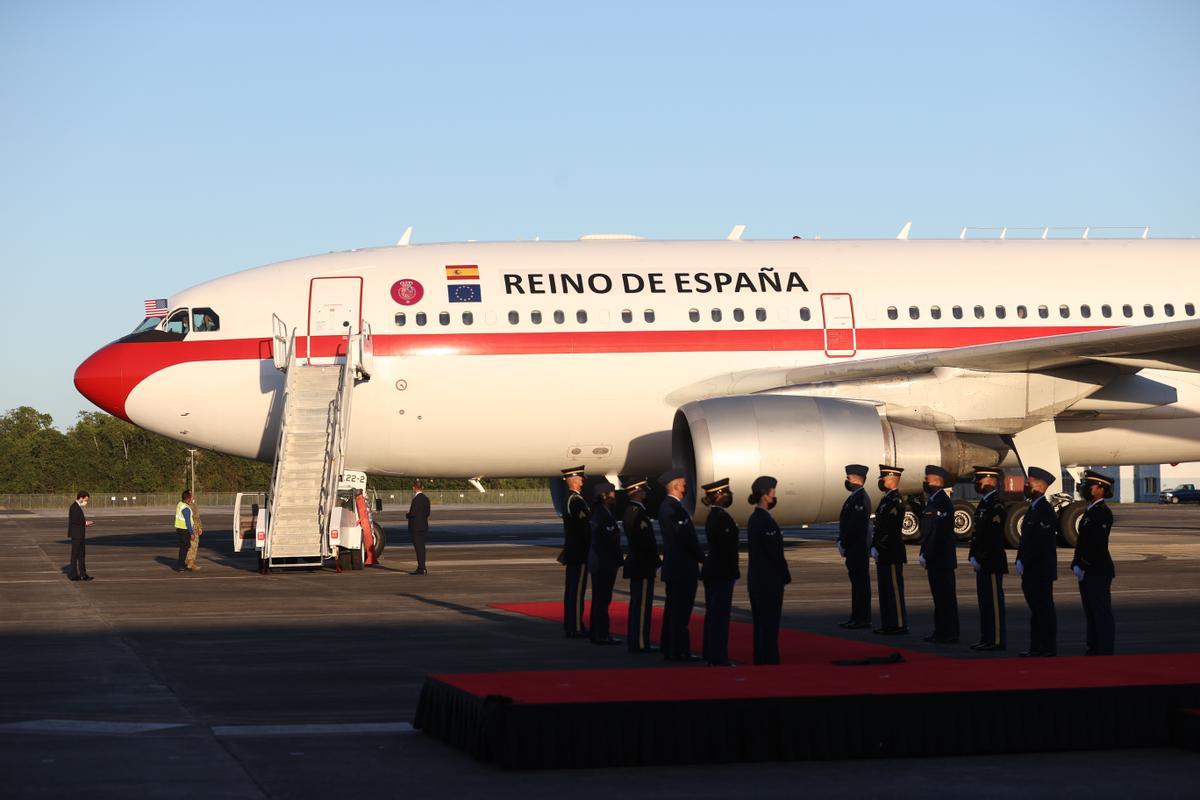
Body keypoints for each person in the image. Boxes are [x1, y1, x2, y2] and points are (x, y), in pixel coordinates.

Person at [657, 468, 704, 661]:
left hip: (676, 567)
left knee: (673, 611)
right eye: (683, 485)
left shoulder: (670, 507)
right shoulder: (672, 509)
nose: (685, 488)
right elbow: (686, 539)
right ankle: (678, 650)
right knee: (680, 612)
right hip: (682, 568)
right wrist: (702, 558)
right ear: (676, 485)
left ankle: (670, 647)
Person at [747, 475, 790, 665]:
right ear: (765, 495)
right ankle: (769, 659)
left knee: (761, 623)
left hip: (757, 580)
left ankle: (761, 658)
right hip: (768, 581)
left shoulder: (754, 518)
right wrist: (785, 574)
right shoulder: (764, 520)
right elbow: (774, 553)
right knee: (769, 623)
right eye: (772, 492)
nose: (774, 496)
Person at [1072, 470, 1116, 655]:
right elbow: (1081, 542)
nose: (1085, 489)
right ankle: (1094, 646)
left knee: (1101, 611)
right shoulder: (1089, 511)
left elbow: (1097, 543)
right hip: (1087, 569)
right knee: (1091, 611)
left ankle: (1104, 648)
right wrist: (1076, 563)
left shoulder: (1103, 513)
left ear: (1100, 489)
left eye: (1089, 486)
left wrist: (1083, 564)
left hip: (1097, 569)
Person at [1016, 466, 1059, 657]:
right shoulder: (1033, 508)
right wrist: (1020, 560)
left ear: (1041, 486)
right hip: (1031, 569)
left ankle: (1047, 647)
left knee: (1044, 609)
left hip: (1040, 569)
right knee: (1036, 610)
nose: (1026, 484)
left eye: (1030, 481)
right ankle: (1036, 647)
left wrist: (1024, 560)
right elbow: (1026, 540)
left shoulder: (1045, 510)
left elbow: (1039, 543)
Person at [968, 467, 1008, 650]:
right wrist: (973, 556)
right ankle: (986, 637)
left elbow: (993, 535)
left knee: (993, 603)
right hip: (982, 561)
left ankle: (997, 639)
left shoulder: (996, 504)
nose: (977, 483)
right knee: (984, 603)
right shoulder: (984, 504)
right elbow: (977, 534)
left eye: (980, 479)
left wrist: (982, 556)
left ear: (991, 481)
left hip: (991, 561)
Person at [700, 478, 739, 666]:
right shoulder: (719, 518)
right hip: (721, 572)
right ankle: (718, 657)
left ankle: (711, 653)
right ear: (719, 496)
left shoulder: (717, 516)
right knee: (719, 617)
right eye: (726, 493)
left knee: (714, 615)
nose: (729, 496)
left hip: (716, 571)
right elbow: (726, 548)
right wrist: (733, 572)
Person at [919, 465, 959, 643]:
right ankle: (941, 631)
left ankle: (949, 633)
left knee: (945, 598)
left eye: (927, 479)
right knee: (939, 598)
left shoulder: (942, 501)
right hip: (935, 558)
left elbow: (939, 533)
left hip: (941, 559)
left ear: (936, 480)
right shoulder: (933, 501)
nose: (925, 482)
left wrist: (927, 553)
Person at [621, 478, 661, 653]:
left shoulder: (632, 510)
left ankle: (636, 640)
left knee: (638, 603)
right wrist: (656, 561)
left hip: (637, 563)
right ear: (636, 491)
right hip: (642, 564)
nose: (646, 492)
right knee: (643, 605)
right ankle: (640, 642)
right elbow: (645, 542)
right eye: (643, 489)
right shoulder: (637, 512)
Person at [871, 465, 908, 634]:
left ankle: (899, 624)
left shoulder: (896, 500)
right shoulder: (886, 499)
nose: (881, 480)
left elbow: (891, 528)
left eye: (883, 478)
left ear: (892, 479)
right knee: (885, 591)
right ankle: (888, 623)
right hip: (883, 551)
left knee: (893, 590)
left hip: (891, 551)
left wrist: (880, 546)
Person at [587, 482, 623, 645]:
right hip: (604, 563)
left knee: (600, 600)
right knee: (602, 600)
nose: (614, 496)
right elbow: (608, 541)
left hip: (602, 562)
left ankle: (598, 633)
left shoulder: (602, 512)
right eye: (611, 493)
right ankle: (601, 633)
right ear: (604, 496)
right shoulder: (602, 515)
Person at [838, 464, 872, 630]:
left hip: (857, 549)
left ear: (857, 479)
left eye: (849, 478)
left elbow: (856, 526)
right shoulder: (853, 498)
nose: (847, 481)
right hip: (853, 548)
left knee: (860, 585)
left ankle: (862, 618)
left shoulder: (860, 499)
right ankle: (856, 616)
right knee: (856, 585)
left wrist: (845, 543)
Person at [559, 466, 591, 638]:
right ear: (572, 480)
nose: (582, 481)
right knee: (577, 591)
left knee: (572, 590)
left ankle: (571, 624)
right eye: (579, 478)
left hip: (573, 551)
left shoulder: (570, 499)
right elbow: (584, 528)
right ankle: (576, 626)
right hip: (579, 552)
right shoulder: (576, 500)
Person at [67, 490, 94, 581]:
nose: (86, 502)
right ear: (81, 498)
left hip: (80, 534)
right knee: (75, 555)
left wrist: (85, 523)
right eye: (85, 500)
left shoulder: (77, 507)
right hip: (76, 535)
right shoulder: (74, 507)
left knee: (82, 555)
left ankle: (83, 574)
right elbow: (75, 520)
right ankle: (73, 575)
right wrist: (85, 522)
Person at [406, 481, 431, 575]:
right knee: (422, 548)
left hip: (416, 527)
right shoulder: (426, 499)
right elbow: (428, 513)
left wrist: (407, 515)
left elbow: (413, 513)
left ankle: (421, 568)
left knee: (418, 548)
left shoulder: (416, 499)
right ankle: (422, 567)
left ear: (414, 488)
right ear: (422, 487)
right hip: (423, 526)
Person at [174, 490, 197, 573]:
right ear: (188, 498)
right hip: (184, 530)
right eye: (191, 497)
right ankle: (180, 565)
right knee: (184, 548)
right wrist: (191, 533)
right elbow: (187, 521)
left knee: (184, 547)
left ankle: (181, 563)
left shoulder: (180, 504)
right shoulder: (186, 508)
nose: (192, 499)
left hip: (179, 529)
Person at [184, 493, 204, 571]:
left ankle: (188, 561)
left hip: (187, 528)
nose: (193, 497)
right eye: (191, 496)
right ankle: (190, 563)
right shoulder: (192, 506)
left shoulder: (184, 505)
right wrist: (199, 527)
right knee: (193, 546)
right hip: (193, 528)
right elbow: (196, 518)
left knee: (189, 546)